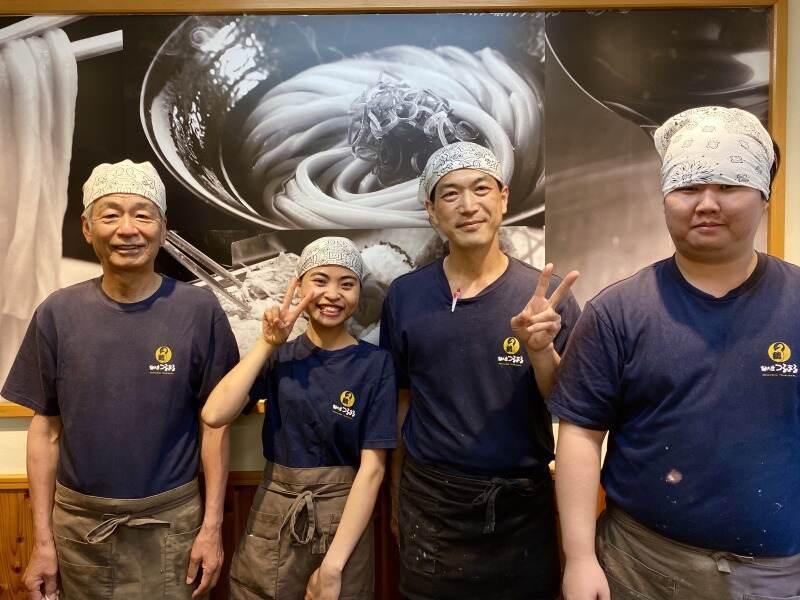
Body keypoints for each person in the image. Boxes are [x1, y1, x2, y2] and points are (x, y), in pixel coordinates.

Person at [550, 106, 799, 600]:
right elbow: (580, 433)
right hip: (642, 566)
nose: (706, 203)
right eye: (688, 189)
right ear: (665, 200)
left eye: (728, 186)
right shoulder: (618, 310)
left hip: (779, 577)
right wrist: (579, 559)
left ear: (764, 195)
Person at [1, 159, 239, 599]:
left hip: (173, 526)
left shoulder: (198, 311)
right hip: (80, 527)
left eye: (142, 214)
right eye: (110, 214)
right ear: (88, 228)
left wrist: (212, 528)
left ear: (164, 228)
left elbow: (216, 425)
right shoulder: (57, 313)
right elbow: (45, 431)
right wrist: (41, 542)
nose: (127, 229)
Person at [379, 141, 581, 600]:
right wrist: (395, 500)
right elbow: (402, 403)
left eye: (480, 189)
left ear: (503, 198)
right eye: (449, 194)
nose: (468, 205)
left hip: (522, 506)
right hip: (431, 505)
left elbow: (568, 406)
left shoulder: (546, 300)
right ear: (431, 210)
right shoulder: (405, 297)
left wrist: (541, 351)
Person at [201, 236, 396, 600]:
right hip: (274, 513)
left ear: (358, 292)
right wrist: (268, 344)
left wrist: (333, 566)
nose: (332, 294)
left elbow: (373, 469)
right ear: (299, 285)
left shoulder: (376, 364)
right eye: (319, 280)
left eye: (347, 283)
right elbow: (215, 413)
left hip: (344, 521)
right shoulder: (280, 356)